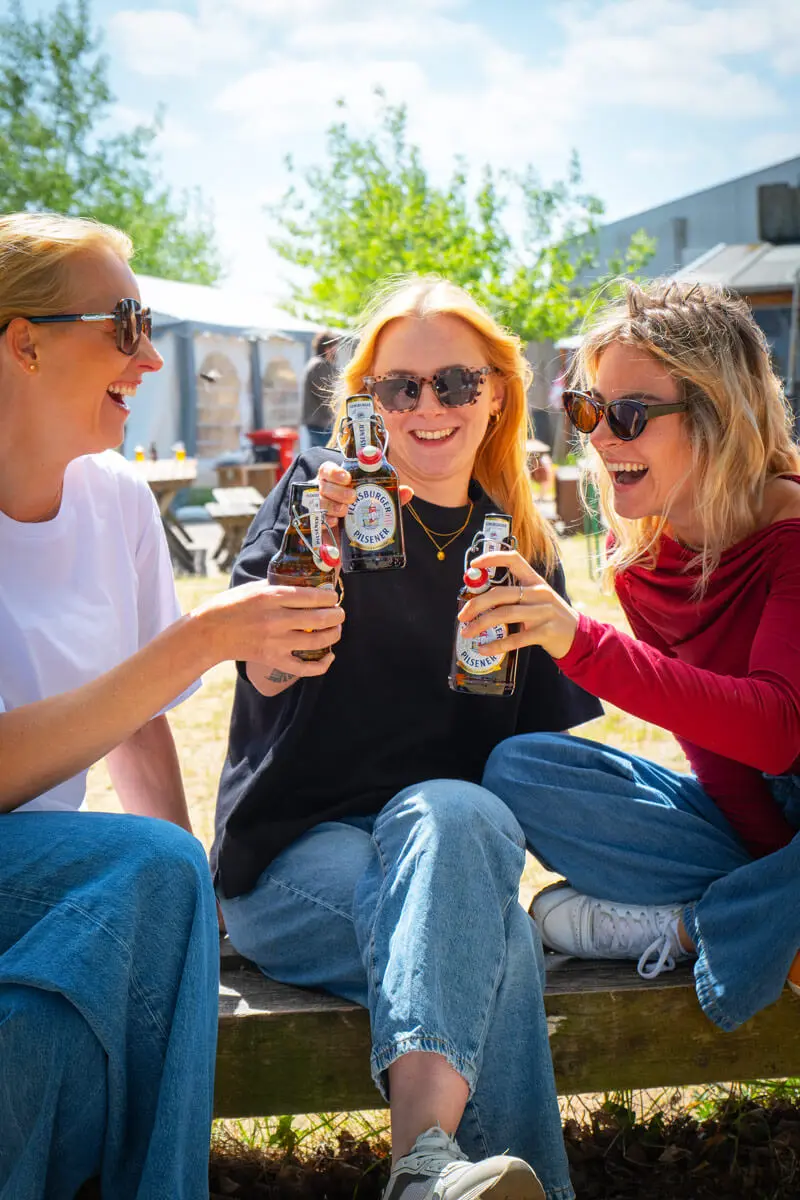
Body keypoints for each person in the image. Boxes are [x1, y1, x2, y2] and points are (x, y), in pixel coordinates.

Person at [214, 276, 602, 1200]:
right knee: (497, 942)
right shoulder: (318, 502)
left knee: (456, 811)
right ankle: (432, 1166)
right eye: (400, 387)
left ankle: (426, 1177)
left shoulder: (521, 548)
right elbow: (262, 672)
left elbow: (534, 769)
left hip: (450, 853)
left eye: (456, 382)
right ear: (367, 402)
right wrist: (312, 560)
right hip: (292, 864)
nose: (429, 406)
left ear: (497, 393)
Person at [0, 212, 344, 1198]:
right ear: (23, 343)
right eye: (124, 325)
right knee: (151, 871)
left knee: (47, 1029)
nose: (150, 358)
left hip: (41, 887)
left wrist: (199, 907)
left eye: (149, 326)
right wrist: (199, 639)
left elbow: (137, 721)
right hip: (44, 877)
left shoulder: (115, 497)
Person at [466, 280, 800, 1032]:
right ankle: (766, 918)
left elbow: (777, 730)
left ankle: (690, 929)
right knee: (521, 768)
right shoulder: (643, 565)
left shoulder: (793, 532)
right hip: (772, 842)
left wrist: (581, 643)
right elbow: (721, 763)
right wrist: (773, 882)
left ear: (718, 416)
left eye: (630, 414)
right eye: (590, 410)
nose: (602, 437)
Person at [301, 329, 339, 448]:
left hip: (319, 423)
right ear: (327, 348)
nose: (336, 350)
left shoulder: (317, 364)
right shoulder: (319, 365)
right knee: (327, 454)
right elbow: (325, 394)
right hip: (321, 424)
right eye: (334, 347)